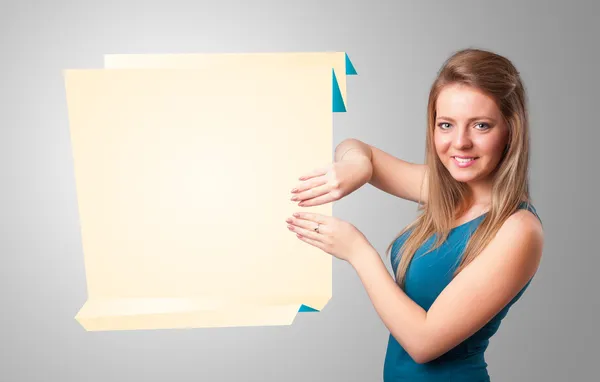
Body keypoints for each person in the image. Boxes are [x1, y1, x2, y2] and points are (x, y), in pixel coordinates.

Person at [284, 48, 544, 381]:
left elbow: (423, 342)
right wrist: (356, 167)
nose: (460, 142)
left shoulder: (519, 229)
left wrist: (358, 252)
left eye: (481, 125)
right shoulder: (444, 190)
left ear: (511, 130)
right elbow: (355, 147)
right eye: (446, 125)